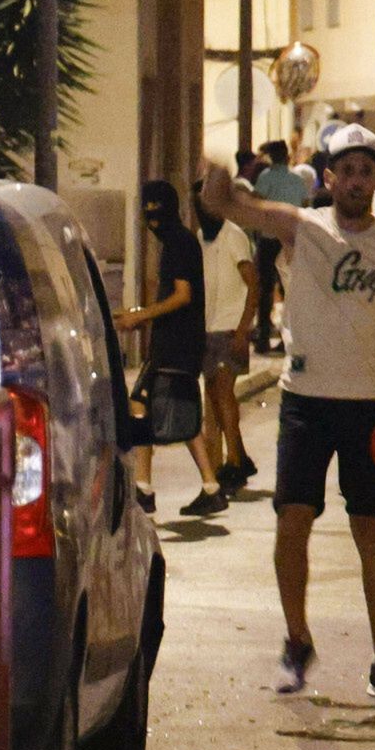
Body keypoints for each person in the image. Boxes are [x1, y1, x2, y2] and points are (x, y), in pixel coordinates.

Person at [200, 123, 375, 704]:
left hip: (371, 406)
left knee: (372, 533)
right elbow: (222, 203)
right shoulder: (303, 228)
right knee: (292, 522)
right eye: (345, 171)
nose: (356, 181)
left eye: (365, 171)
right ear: (328, 179)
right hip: (305, 402)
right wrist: (221, 164)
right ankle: (297, 639)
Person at [117, 180, 227, 517]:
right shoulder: (180, 240)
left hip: (175, 344)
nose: (151, 219)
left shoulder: (178, 243)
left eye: (155, 211)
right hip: (178, 343)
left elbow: (182, 295)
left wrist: (141, 316)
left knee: (143, 403)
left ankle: (145, 488)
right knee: (175, 409)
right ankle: (206, 487)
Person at [196, 192, 259, 493]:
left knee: (222, 393)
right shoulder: (201, 237)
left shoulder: (234, 236)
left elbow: (253, 283)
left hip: (230, 327)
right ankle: (230, 460)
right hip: (208, 326)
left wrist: (244, 329)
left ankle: (234, 460)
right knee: (213, 398)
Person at [252, 139, 310, 353]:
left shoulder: (265, 178)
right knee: (292, 288)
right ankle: (292, 338)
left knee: (265, 289)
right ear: (286, 157)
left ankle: (263, 337)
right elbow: (305, 205)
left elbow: (256, 202)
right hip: (292, 239)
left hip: (269, 237)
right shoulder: (297, 179)